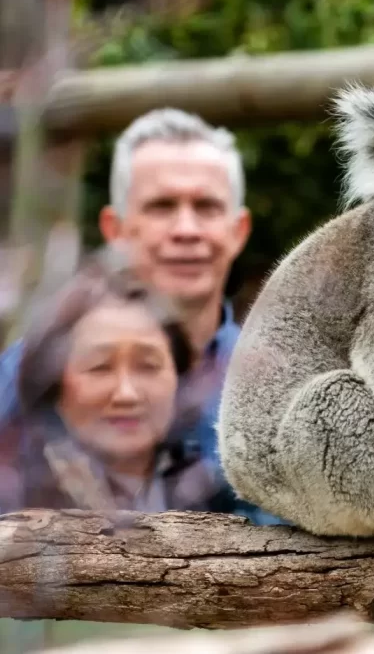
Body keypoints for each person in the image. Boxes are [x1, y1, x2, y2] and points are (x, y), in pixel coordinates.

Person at [0, 107, 274, 521]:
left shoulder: (276, 383)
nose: (187, 229)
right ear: (115, 230)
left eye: (207, 207)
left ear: (238, 230)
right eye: (162, 206)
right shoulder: (25, 376)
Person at [0, 249, 224, 513]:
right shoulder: (13, 497)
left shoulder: (223, 497)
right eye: (100, 367)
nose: (126, 394)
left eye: (148, 366)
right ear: (54, 384)